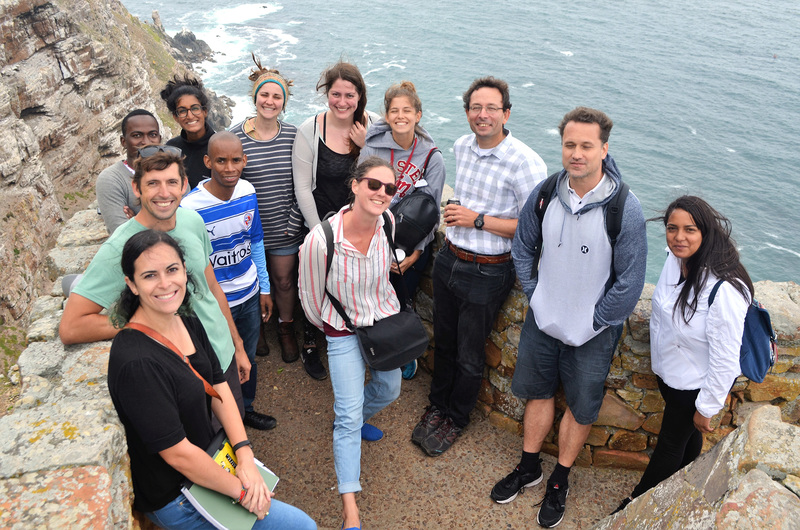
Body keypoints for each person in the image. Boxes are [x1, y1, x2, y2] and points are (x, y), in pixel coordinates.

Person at [494, 107, 647, 528]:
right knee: (537, 392)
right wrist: (535, 294)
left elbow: (631, 282)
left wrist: (594, 321)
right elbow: (523, 247)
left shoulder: (624, 208)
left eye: (586, 145)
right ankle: (529, 467)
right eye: (569, 145)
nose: (576, 154)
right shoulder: (545, 193)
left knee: (580, 409)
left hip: (594, 332)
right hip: (542, 319)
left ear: (604, 148)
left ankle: (559, 479)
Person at [107, 229, 316, 529]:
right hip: (177, 494)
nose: (166, 284)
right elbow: (178, 454)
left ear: (184, 270)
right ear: (132, 284)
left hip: (209, 464)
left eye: (172, 270)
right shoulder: (136, 362)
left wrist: (244, 453)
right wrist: (244, 492)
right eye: (150, 275)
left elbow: (217, 384)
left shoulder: (184, 317)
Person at [59, 147, 251, 424]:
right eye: (153, 183)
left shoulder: (192, 220)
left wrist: (237, 345)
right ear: (136, 188)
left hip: (222, 358)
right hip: (180, 373)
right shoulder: (121, 247)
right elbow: (71, 326)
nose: (164, 193)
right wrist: (141, 324)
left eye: (172, 182)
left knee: (234, 440)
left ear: (184, 186)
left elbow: (211, 288)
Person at [411, 77, 547, 457]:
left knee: (471, 355)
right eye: (475, 108)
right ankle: (437, 407)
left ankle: (456, 417)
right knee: (446, 343)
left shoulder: (525, 162)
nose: (482, 115)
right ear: (467, 112)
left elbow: (535, 228)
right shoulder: (461, 146)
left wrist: (477, 219)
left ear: (506, 113)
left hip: (488, 270)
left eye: (491, 108)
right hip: (449, 259)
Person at [613, 196, 751, 514]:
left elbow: (725, 358)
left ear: (706, 232)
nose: (679, 237)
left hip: (693, 386)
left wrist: (706, 407)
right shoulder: (677, 261)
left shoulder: (724, 289)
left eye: (689, 230)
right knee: (685, 442)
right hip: (670, 377)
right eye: (672, 228)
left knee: (669, 447)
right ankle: (685, 486)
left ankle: (634, 510)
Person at [298, 157, 403, 530]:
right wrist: (334, 327)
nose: (381, 194)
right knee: (345, 414)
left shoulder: (387, 222)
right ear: (355, 185)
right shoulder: (321, 240)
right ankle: (350, 509)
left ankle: (357, 419)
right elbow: (310, 300)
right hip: (343, 331)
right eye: (374, 185)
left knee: (390, 390)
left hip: (381, 326)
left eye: (389, 189)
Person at [231, 57, 326, 380]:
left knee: (284, 281)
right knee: (252, 281)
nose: (269, 101)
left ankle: (286, 329)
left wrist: (294, 220)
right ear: (254, 97)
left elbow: (305, 182)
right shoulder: (236, 138)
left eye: (277, 97)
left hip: (285, 225)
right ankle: (254, 328)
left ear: (284, 102)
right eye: (264, 95)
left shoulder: (293, 136)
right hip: (248, 229)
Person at [181, 131, 278, 430]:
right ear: (208, 161)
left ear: (244, 160)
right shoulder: (191, 208)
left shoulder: (248, 191)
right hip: (213, 304)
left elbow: (256, 241)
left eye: (236, 160)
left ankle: (245, 408)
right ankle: (221, 421)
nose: (229, 167)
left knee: (247, 356)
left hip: (248, 294)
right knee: (216, 363)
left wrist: (265, 287)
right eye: (220, 160)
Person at [293, 61, 379, 382]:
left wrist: (366, 143)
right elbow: (302, 186)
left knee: (355, 282)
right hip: (320, 221)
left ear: (360, 97)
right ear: (326, 94)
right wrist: (319, 232)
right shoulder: (310, 129)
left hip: (360, 226)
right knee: (315, 282)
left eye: (349, 95)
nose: (342, 102)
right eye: (335, 94)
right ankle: (311, 343)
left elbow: (381, 175)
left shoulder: (373, 126)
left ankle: (353, 337)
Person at [358, 81, 446, 380]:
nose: (400, 116)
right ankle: (372, 349)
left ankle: (403, 353)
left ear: (418, 115)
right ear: (386, 115)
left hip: (409, 246)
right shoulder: (372, 147)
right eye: (394, 110)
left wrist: (418, 252)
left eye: (407, 110)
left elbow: (433, 211)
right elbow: (359, 193)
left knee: (398, 299)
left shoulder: (432, 157)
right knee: (369, 297)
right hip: (371, 238)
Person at [96, 109, 161, 234]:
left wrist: (136, 222)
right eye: (137, 135)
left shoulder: (173, 174)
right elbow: (121, 235)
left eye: (152, 135)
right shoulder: (111, 179)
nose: (146, 142)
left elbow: (185, 226)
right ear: (123, 142)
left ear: (159, 138)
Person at [160, 74, 215, 190]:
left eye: (195, 108)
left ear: (204, 111)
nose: (190, 116)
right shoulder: (170, 149)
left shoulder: (220, 146)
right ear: (175, 117)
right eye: (182, 111)